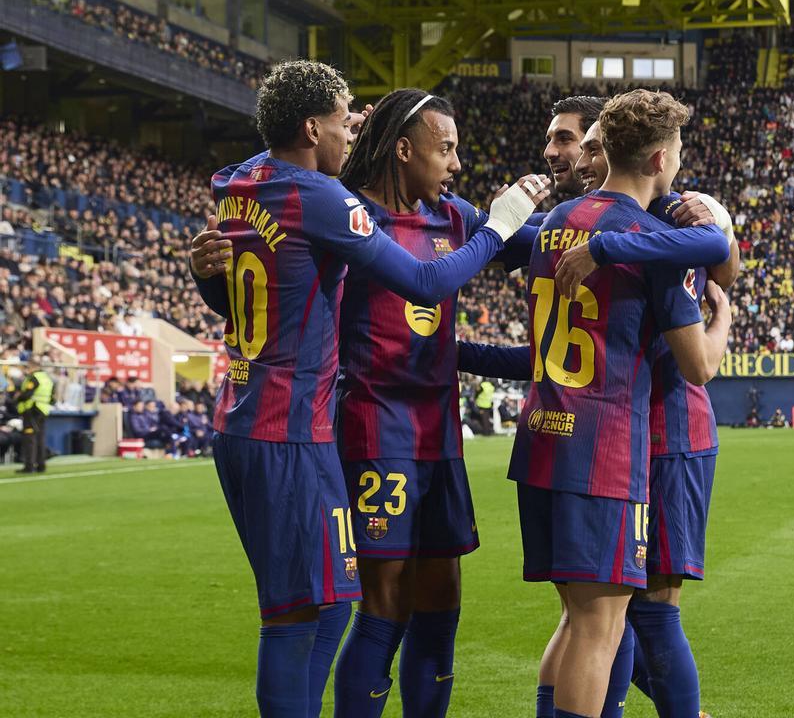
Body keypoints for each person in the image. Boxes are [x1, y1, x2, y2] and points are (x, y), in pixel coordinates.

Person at [188, 61, 548, 718]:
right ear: (310, 126)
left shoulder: (241, 180)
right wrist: (501, 220)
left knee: (338, 608)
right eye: (341, 114)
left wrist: (627, 221)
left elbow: (251, 286)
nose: (352, 122)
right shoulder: (331, 204)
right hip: (317, 430)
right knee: (315, 613)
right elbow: (427, 284)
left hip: (298, 424)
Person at [508, 89, 731, 718]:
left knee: (575, 620)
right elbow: (697, 366)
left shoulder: (555, 224)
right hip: (603, 448)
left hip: (542, 434)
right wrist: (724, 319)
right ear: (660, 159)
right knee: (601, 630)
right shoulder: (652, 239)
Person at [15, 359, 53, 473]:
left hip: (32, 410)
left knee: (30, 439)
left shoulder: (34, 378)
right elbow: (53, 397)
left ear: (32, 367)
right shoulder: (46, 378)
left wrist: (17, 398)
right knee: (40, 438)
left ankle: (29, 466)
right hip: (43, 410)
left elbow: (27, 394)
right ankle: (41, 465)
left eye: (28, 367)